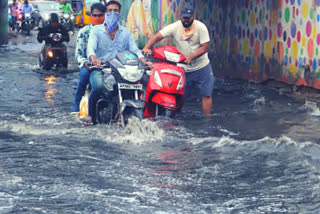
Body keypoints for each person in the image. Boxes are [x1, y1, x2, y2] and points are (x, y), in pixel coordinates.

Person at [85, 0, 151, 125]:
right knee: (98, 86)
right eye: (110, 11)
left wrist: (143, 60)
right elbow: (91, 47)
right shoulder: (96, 30)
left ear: (120, 13)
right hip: (101, 68)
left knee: (145, 82)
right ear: (105, 13)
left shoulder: (125, 32)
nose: (113, 13)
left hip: (120, 69)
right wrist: (94, 58)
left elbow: (134, 49)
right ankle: (91, 115)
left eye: (115, 11)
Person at [142, 5, 214, 115]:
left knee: (206, 94)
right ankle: (176, 118)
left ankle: (207, 119)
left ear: (193, 17)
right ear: (181, 17)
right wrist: (147, 47)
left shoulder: (201, 27)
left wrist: (191, 57)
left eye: (188, 18)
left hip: (202, 66)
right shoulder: (175, 27)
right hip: (183, 67)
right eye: (184, 18)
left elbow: (205, 47)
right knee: (180, 95)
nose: (186, 20)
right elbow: (157, 37)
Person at [71, 3, 106, 114]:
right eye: (94, 15)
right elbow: (79, 53)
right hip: (89, 65)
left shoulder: (111, 30)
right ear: (90, 16)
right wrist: (86, 63)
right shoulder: (84, 32)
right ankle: (76, 106)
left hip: (109, 64)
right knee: (84, 76)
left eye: (100, 15)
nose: (97, 18)